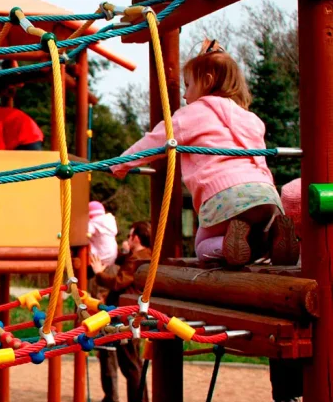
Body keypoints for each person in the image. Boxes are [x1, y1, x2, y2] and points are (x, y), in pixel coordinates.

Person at [112, 40, 298, 267]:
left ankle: (230, 244)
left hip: (224, 195)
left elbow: (156, 140)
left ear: (207, 82)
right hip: (266, 194)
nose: (184, 95)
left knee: (203, 246)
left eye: (187, 85)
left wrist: (120, 164)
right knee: (256, 233)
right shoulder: (250, 118)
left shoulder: (193, 113)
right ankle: (274, 237)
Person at [90, 221, 152, 402]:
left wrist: (99, 273)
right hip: (132, 314)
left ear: (136, 238)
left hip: (126, 315)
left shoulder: (136, 259)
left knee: (130, 363)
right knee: (133, 362)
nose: (127, 239)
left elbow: (118, 282)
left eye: (129, 236)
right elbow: (123, 262)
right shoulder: (144, 256)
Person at [87, 201, 118, 268]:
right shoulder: (110, 220)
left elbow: (86, 232)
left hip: (101, 256)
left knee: (85, 241)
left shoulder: (94, 222)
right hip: (112, 255)